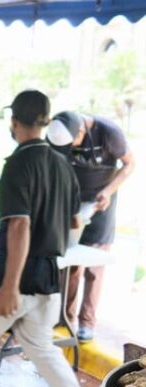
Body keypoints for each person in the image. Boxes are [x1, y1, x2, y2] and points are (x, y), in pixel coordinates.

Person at [0, 90, 82, 387]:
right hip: (50, 277)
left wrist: (10, 285)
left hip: (19, 272)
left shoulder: (17, 164)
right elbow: (75, 220)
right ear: (46, 121)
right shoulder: (63, 164)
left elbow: (19, 225)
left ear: (14, 120)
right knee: (42, 348)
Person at [46, 111, 136, 342]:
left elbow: (129, 164)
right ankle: (64, 317)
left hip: (101, 204)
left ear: (82, 131)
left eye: (72, 143)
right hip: (73, 203)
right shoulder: (60, 132)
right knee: (70, 264)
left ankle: (87, 322)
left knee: (95, 266)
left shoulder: (109, 133)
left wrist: (108, 192)